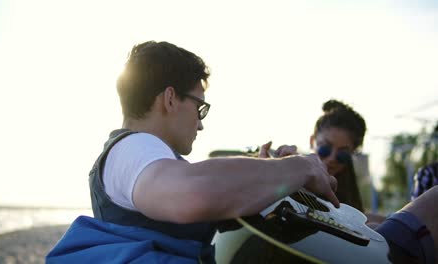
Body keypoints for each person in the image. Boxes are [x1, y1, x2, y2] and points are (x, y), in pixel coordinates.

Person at [46, 41, 437, 264]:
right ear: (169, 98)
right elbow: (191, 194)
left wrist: (267, 178)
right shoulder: (132, 149)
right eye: (199, 107)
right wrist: (296, 168)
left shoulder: (146, 159)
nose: (200, 123)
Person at [260, 99, 437, 263]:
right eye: (324, 148)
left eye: (343, 154)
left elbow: (354, 215)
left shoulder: (344, 184)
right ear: (312, 141)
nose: (332, 158)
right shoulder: (295, 168)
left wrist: (384, 220)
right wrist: (276, 171)